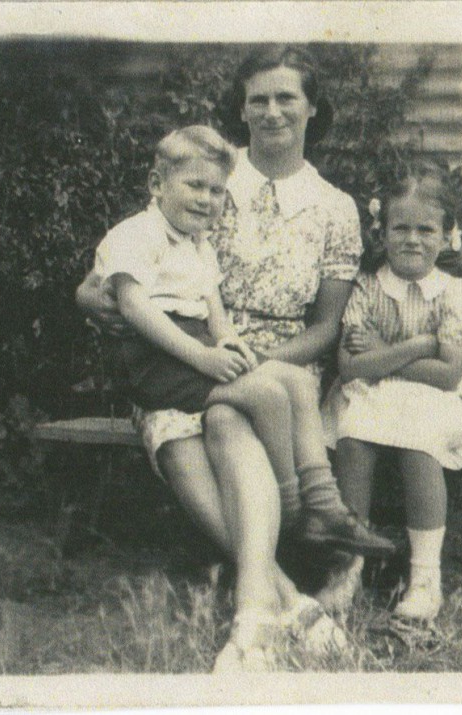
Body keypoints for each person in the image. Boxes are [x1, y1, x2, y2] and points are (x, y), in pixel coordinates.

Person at [77, 47, 390, 671]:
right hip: (184, 357)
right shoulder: (205, 173)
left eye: (287, 97)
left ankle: (261, 598)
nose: (272, 111)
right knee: (215, 418)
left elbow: (327, 326)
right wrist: (90, 297)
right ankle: (289, 602)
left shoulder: (335, 208)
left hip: (273, 365)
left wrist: (250, 359)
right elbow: (107, 278)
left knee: (232, 414)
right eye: (259, 98)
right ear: (241, 108)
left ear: (312, 107)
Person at [91, 125, 393, 556]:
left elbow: (214, 310)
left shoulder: (198, 242)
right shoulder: (137, 234)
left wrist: (230, 344)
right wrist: (204, 357)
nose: (206, 199)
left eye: (215, 191)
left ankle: (324, 505)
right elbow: (135, 307)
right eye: (195, 186)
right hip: (155, 358)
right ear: (156, 185)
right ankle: (291, 518)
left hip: (194, 348)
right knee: (266, 395)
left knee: (295, 381)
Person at [325, 161, 462, 622]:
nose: (412, 239)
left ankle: (424, 578)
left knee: (419, 443)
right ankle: (348, 568)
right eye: (401, 228)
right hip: (370, 391)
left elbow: (449, 374)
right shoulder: (367, 289)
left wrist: (386, 352)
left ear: (447, 235)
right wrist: (418, 345)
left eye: (426, 229)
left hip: (438, 400)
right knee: (352, 437)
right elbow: (350, 366)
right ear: (383, 232)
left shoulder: (457, 293)